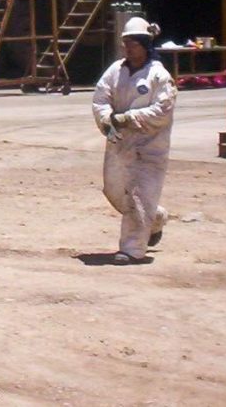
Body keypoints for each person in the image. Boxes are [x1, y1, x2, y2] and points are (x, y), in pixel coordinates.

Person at [91, 17, 177, 265]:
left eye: (133, 44)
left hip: (150, 148)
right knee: (115, 192)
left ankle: (132, 250)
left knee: (138, 196)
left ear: (145, 45)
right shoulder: (116, 71)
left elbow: (162, 111)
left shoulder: (159, 76)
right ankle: (155, 218)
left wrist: (129, 118)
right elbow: (100, 98)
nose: (128, 49)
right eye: (125, 43)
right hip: (119, 145)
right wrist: (107, 119)